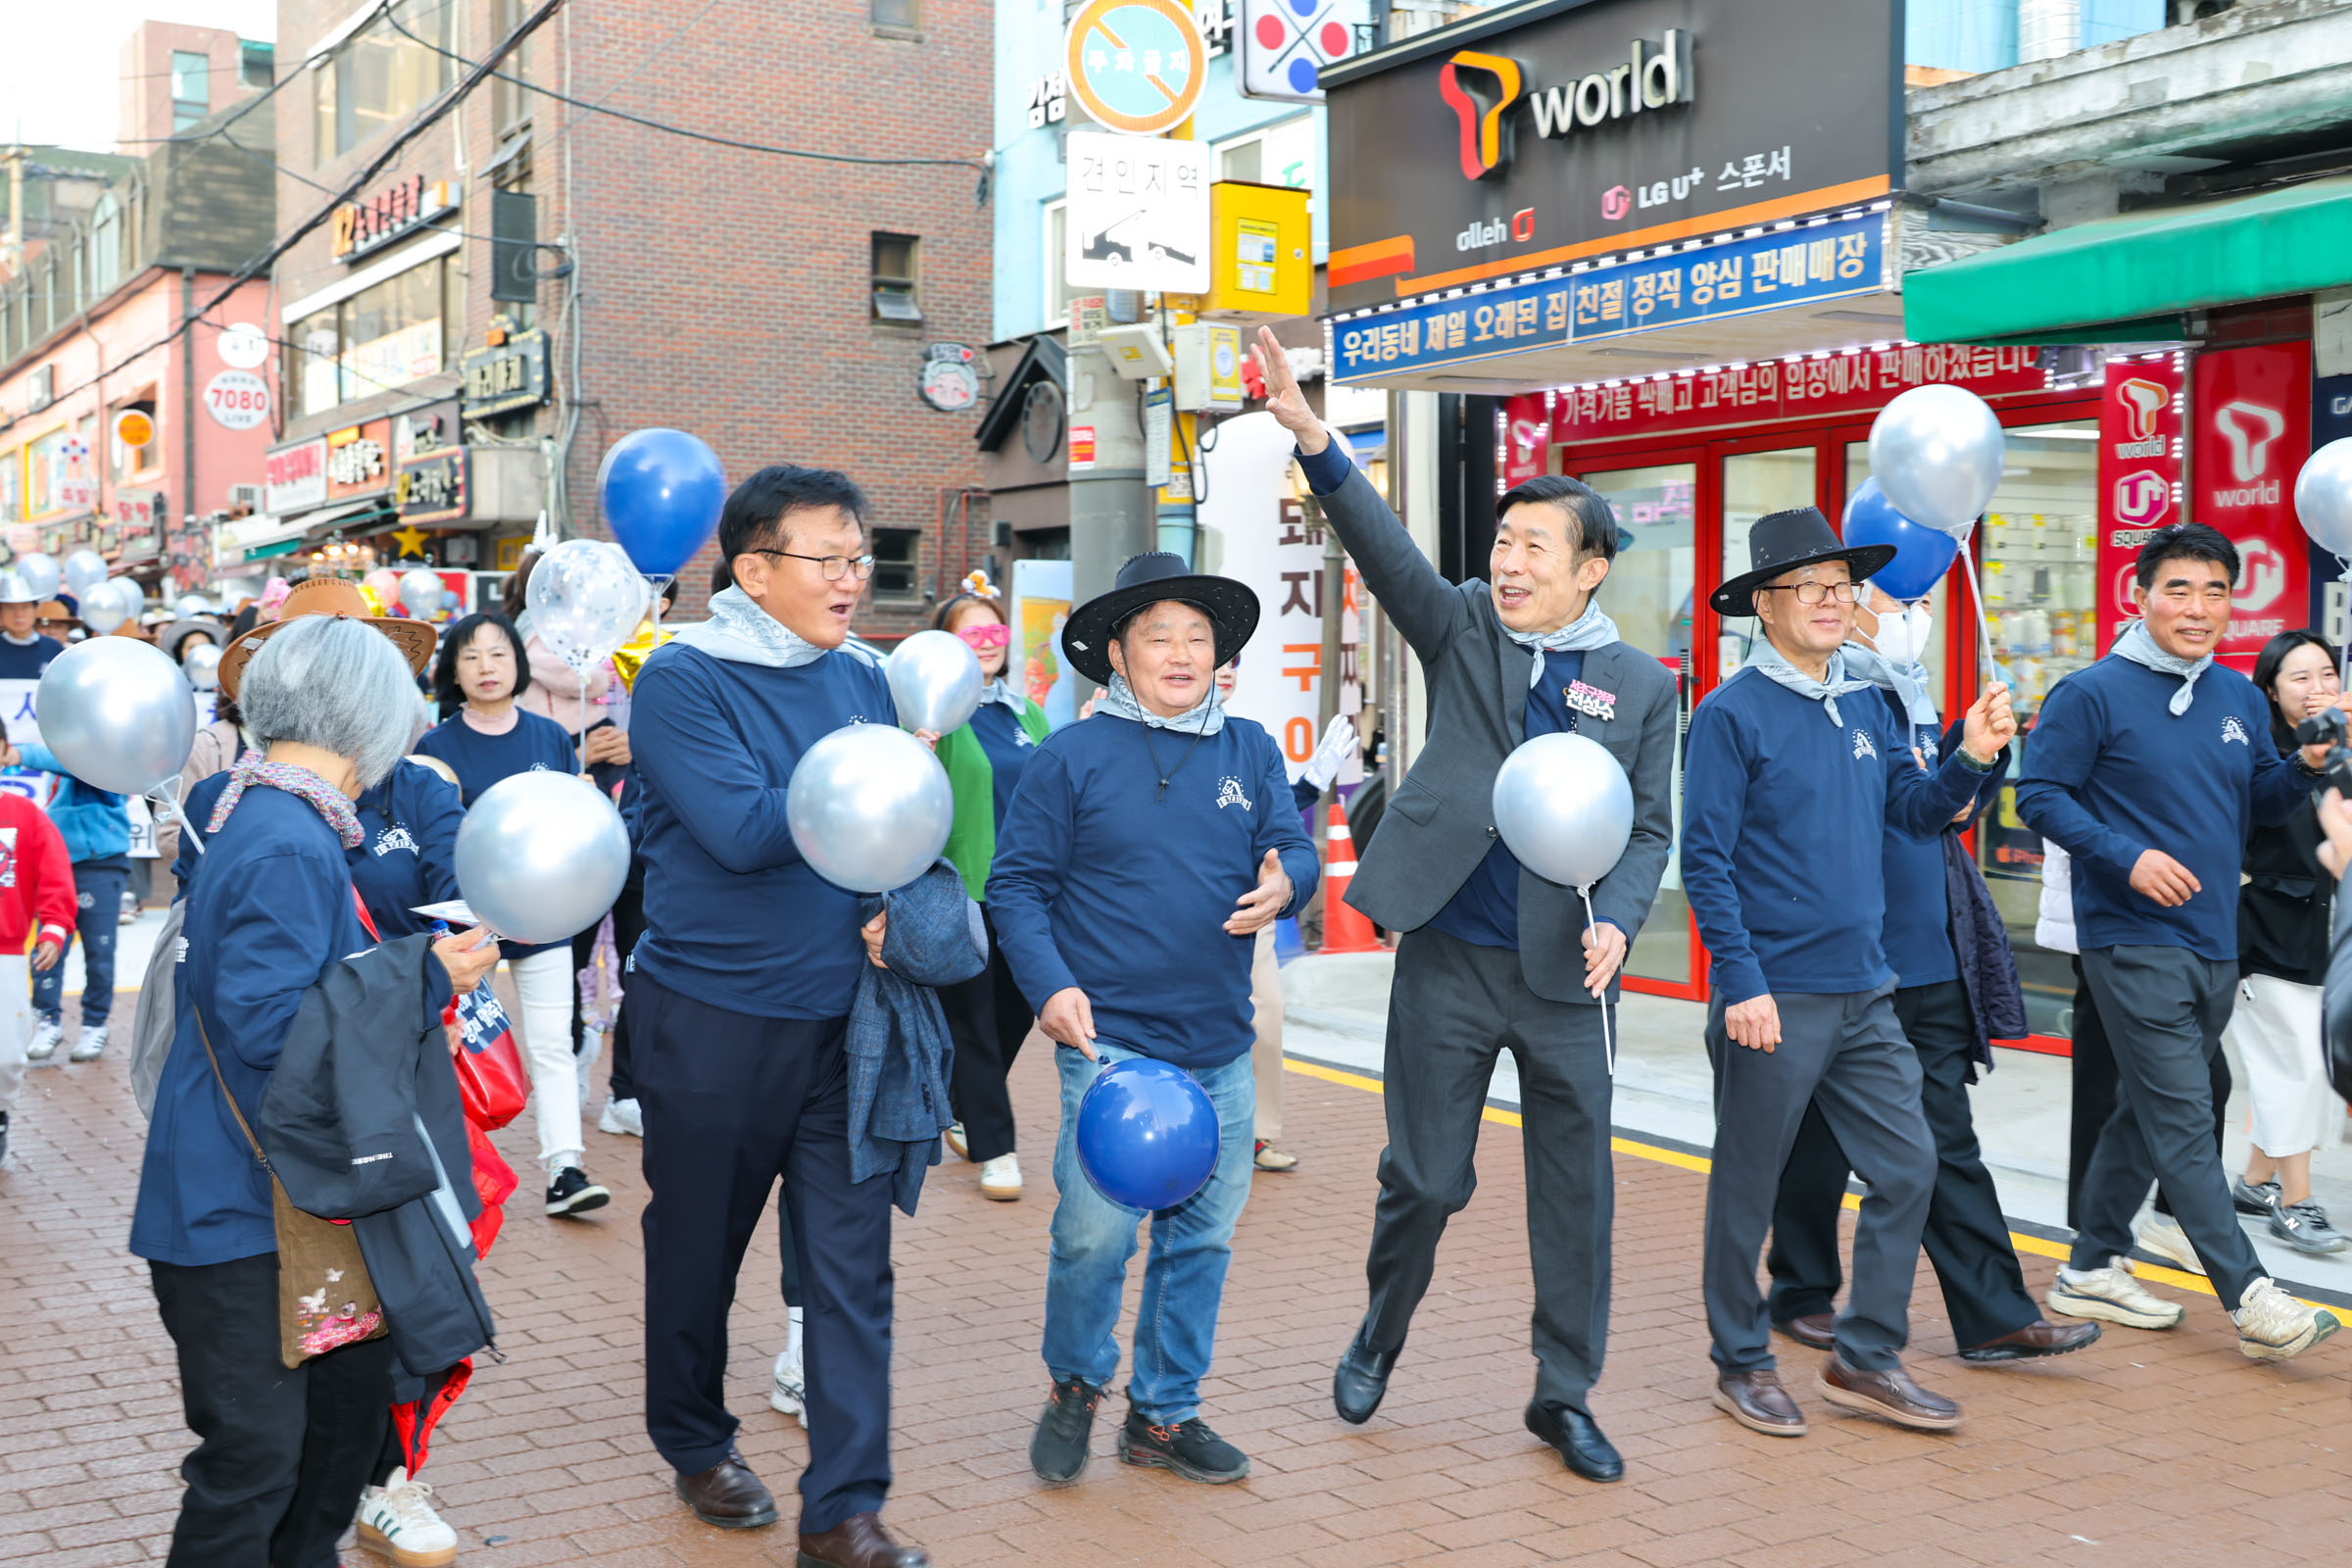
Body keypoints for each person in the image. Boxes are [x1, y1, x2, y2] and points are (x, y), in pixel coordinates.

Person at [1254, 328, 1677, 1482]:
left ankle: (1565, 1393)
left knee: (1576, 1192)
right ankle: (1380, 1332)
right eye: (1503, 540)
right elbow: (1386, 553)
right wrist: (1314, 438)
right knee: (1427, 1177)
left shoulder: (1641, 687)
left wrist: (1620, 919)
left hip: (1566, 976)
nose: (1510, 560)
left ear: (1592, 568)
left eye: (1535, 545)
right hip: (1449, 951)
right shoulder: (1465, 630)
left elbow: (1646, 827)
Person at [130, 613, 497, 1568]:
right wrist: (426, 975)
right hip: (245, 1212)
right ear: (369, 717)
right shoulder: (286, 837)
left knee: (318, 1450)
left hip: (262, 1203)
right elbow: (272, 1031)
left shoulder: (257, 814)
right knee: (258, 1465)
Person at [627, 464, 931, 1566]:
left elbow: (904, 826)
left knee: (853, 1271)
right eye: (829, 559)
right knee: (699, 1250)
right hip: (711, 1019)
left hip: (848, 1023)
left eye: (861, 558)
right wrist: (874, 783)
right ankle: (695, 1438)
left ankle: (845, 1509)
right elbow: (749, 829)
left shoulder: (867, 678)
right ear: (754, 569)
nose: (854, 579)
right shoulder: (683, 680)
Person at [1684, 508, 2017, 1438]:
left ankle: (1865, 1354)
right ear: (1763, 604)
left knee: (1909, 1168)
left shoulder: (1870, 704)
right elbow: (1705, 860)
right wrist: (1739, 981)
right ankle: (1741, 1362)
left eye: (1843, 585)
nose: (1835, 602)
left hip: (1866, 989)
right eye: (1811, 587)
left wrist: (1970, 759)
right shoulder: (1729, 714)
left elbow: (1915, 814)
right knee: (1746, 1189)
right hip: (1774, 995)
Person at [991, 550, 1315, 1490]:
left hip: (1219, 1042)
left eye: (1197, 638)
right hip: (1110, 1048)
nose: (1180, 654)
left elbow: (1287, 839)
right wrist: (1050, 987)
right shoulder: (1072, 756)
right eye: (1159, 637)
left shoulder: (1248, 746)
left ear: (1219, 656)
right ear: (1119, 655)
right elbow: (1016, 887)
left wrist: (1288, 879)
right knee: (1094, 1235)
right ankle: (1076, 1386)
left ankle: (1164, 1415)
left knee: (1202, 1237)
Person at [2017, 523, 2340, 1360]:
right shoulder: (2089, 693)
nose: (2198, 610)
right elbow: (2038, 797)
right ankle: (2252, 1296)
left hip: (2213, 940)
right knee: (2187, 1118)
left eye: (2216, 592)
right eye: (2179, 590)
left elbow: (2256, 804)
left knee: (2145, 1109)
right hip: (2130, 937)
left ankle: (2089, 1265)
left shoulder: (2236, 697)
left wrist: (2302, 768)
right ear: (2141, 593)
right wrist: (2128, 858)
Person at [1761, 585, 2099, 1365]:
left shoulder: (1905, 701)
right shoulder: (1813, 702)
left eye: (1917, 599)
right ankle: (1801, 1290)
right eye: (1887, 598)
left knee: (1945, 1140)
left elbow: (1936, 809)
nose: (1906, 614)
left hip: (1929, 953)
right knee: (1816, 1139)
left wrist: (1976, 750)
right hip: (1845, 960)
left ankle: (1994, 1315)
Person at [417, 612, 612, 1219]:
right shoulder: (433, 748)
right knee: (458, 1046)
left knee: (553, 1043)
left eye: (498, 654)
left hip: (546, 919)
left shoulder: (550, 737)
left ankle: (565, 1168)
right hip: (466, 928)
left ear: (518, 663)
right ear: (452, 669)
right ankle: (453, 1170)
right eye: (470, 656)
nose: (486, 667)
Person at [2223, 629, 2349, 1253]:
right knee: (2297, 1065)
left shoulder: (2344, 749)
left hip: (2327, 933)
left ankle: (2254, 1181)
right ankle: (2295, 1203)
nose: (2317, 688)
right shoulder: (2259, 752)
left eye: (2326, 673)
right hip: (2265, 930)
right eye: (2299, 677)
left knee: (2299, 1065)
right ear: (2270, 690)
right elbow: (2265, 818)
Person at [1214, 656, 1357, 1174]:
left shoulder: (1250, 741)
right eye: (1218, 658)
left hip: (1252, 907)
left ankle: (1257, 1135)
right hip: (1179, 913)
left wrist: (1312, 783)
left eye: (1233, 660)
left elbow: (1270, 817)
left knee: (1267, 1016)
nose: (1226, 669)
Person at [932, 581, 1050, 1201]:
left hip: (1024, 892)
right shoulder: (935, 715)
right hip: (960, 891)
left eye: (995, 632)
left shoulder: (1025, 712)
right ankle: (995, 1149)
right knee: (974, 1022)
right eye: (971, 633)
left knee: (1015, 1014)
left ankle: (958, 1105)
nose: (986, 644)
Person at [9, 731, 132, 1064]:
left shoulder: (106, 759)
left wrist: (18, 754)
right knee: (48, 948)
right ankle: (47, 1020)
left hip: (101, 867)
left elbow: (76, 766)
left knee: (99, 952)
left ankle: (94, 1024)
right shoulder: (69, 757)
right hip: (54, 868)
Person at [0, 787, 74, 1164]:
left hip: (6, 953)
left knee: (7, 1057)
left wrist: (54, 928)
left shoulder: (23, 813)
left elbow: (54, 872)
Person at [0, 573, 67, 677]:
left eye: (25, 607)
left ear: (35, 610)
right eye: (10, 608)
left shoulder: (53, 648)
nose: (18, 614)